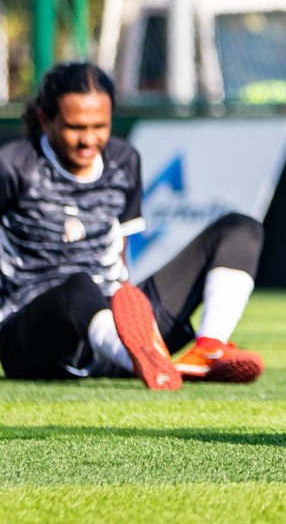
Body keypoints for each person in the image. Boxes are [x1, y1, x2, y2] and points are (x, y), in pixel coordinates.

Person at [0, 63, 265, 387]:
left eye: (100, 126)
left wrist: (128, 305)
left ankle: (206, 350)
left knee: (241, 229)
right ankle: (143, 358)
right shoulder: (12, 166)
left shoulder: (123, 160)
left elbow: (120, 252)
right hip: (35, 341)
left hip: (112, 328)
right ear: (45, 120)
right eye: (75, 127)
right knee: (79, 285)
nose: (89, 139)